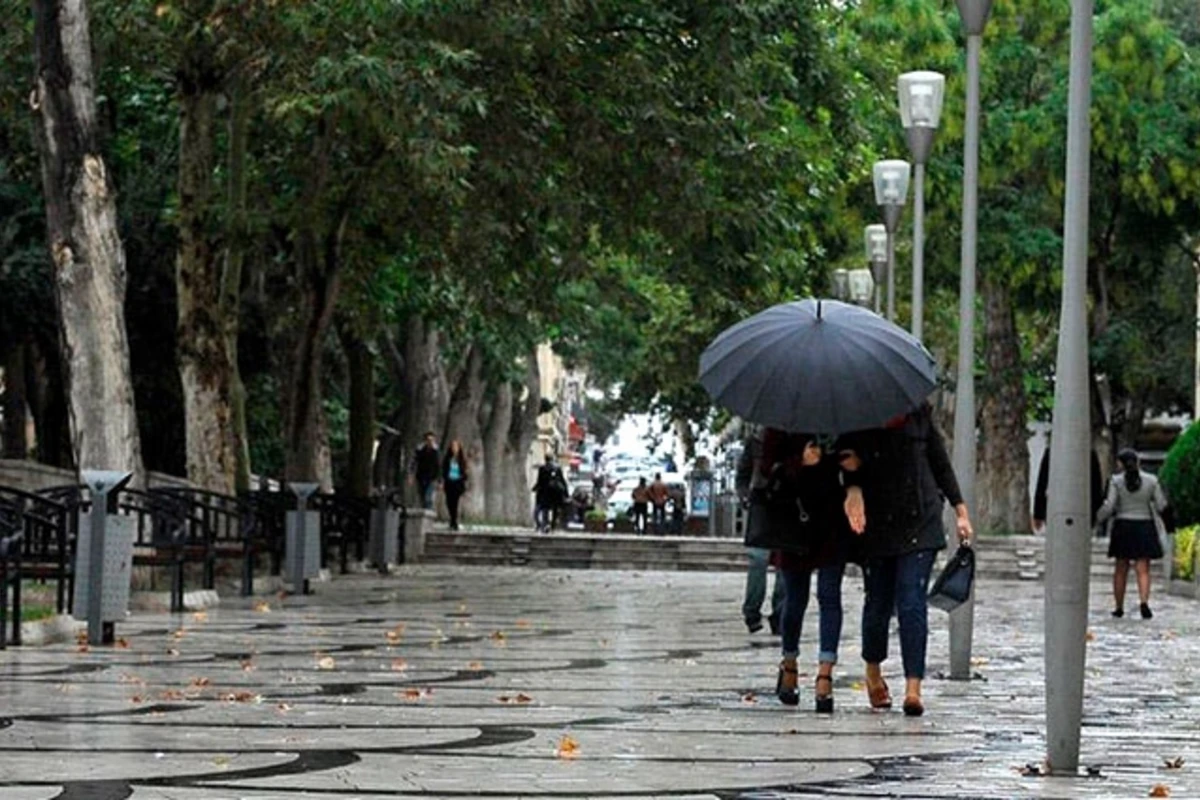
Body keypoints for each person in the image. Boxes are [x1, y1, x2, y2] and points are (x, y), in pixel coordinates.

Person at [840, 403, 973, 717]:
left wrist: (960, 510)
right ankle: (873, 671)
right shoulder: (857, 416)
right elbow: (845, 464)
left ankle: (914, 686)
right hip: (877, 523)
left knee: (912, 602)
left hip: (920, 521)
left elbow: (940, 463)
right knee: (878, 603)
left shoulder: (919, 414)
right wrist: (853, 484)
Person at [756, 428, 852, 712]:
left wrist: (852, 466)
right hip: (793, 522)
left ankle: (825, 674)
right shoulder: (780, 422)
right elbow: (765, 470)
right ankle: (789, 664)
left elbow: (856, 462)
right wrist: (799, 461)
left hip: (832, 522)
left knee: (829, 596)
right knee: (795, 599)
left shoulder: (841, 419)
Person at [1096, 448, 1168, 619]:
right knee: (1143, 569)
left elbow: (1110, 505)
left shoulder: (1116, 481)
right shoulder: (1151, 481)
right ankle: (1144, 602)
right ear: (1138, 462)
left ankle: (1119, 606)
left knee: (1121, 569)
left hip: (1123, 526)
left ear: (1120, 464)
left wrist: (1097, 518)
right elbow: (1160, 504)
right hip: (1144, 525)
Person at [735, 428, 784, 636]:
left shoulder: (797, 439)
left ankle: (780, 614)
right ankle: (752, 612)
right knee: (758, 559)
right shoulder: (756, 441)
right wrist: (745, 496)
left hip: (786, 504)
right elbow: (742, 475)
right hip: (761, 503)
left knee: (784, 562)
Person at [1031, 440, 1104, 534]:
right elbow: (1096, 487)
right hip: (1082, 509)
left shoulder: (1052, 452)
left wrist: (1038, 513)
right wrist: (1096, 514)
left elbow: (1042, 483)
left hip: (1057, 509)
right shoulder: (1088, 453)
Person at [532, 455, 568, 532]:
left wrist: (535, 488)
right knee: (555, 509)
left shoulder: (542, 468)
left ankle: (544, 524)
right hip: (555, 493)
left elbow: (540, 481)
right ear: (552, 459)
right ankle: (552, 526)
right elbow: (562, 481)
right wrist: (566, 493)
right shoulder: (557, 468)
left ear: (545, 459)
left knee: (545, 509)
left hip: (545, 492)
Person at [442, 440, 469, 531]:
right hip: (449, 483)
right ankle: (452, 519)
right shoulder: (447, 459)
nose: (454, 449)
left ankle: (454, 521)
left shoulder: (461, 460)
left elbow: (465, 473)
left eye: (456, 447)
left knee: (456, 503)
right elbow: (444, 471)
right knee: (449, 503)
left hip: (458, 483)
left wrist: (462, 477)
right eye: (453, 447)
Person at [411, 432, 440, 510]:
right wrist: (411, 475)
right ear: (425, 441)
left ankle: (428, 513)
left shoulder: (436, 451)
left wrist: (438, 479)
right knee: (422, 496)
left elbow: (438, 466)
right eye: (428, 440)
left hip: (431, 477)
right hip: (420, 476)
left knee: (428, 497)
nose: (430, 442)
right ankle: (423, 512)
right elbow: (414, 462)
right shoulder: (420, 450)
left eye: (432, 440)